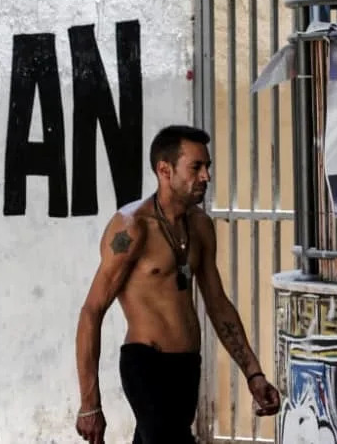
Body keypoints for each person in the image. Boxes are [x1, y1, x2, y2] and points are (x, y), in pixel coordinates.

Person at [74, 125, 280, 444]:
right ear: (164, 170)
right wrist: (90, 404)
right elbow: (92, 311)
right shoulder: (131, 228)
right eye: (196, 167)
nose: (206, 176)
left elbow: (217, 303)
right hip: (146, 365)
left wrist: (253, 373)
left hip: (186, 368)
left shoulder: (199, 226)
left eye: (207, 166)